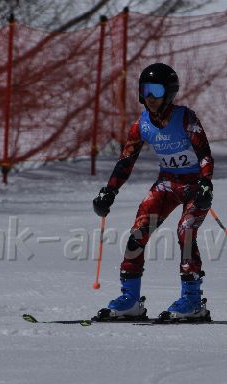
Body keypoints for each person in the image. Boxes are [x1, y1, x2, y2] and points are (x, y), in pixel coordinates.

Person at [92, 63, 214, 322]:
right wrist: (109, 191)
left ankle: (192, 300)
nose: (149, 97)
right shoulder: (142, 125)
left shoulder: (185, 118)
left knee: (186, 231)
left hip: (194, 186)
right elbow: (126, 161)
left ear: (169, 92)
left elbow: (204, 154)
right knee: (138, 232)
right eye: (145, 90)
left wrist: (206, 183)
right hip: (167, 184)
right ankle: (130, 300)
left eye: (156, 91)